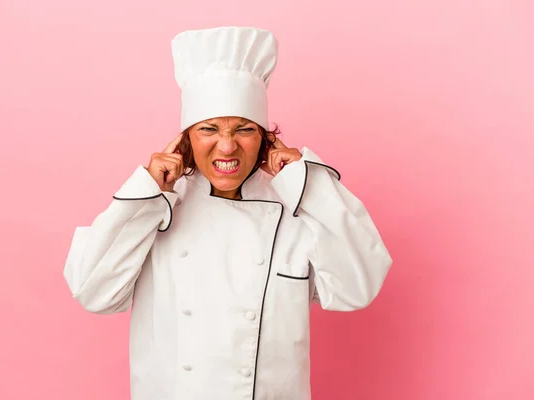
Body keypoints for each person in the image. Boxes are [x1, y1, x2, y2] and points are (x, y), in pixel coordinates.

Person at [63, 26, 392, 400]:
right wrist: (145, 193)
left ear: (266, 137)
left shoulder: (297, 207)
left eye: (244, 129)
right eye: (208, 128)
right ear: (186, 137)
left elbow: (357, 288)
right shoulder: (157, 206)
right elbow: (94, 292)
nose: (227, 145)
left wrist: (313, 186)